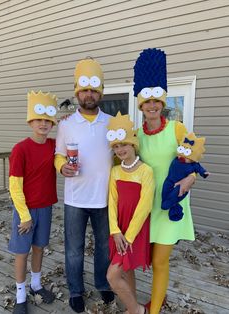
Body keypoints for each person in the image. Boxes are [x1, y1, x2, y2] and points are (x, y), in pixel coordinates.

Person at [133, 48, 197, 314]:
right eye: (147, 101)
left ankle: (155, 309)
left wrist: (190, 178)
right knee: (144, 259)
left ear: (163, 102)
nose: (152, 106)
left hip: (170, 205)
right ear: (140, 104)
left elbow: (194, 161)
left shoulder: (177, 129)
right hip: (146, 206)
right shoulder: (136, 135)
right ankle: (151, 299)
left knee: (160, 261)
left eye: (156, 100)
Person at [54, 57, 114, 313]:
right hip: (75, 198)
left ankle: (102, 282)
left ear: (99, 92)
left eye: (93, 90)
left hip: (104, 198)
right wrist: (61, 166)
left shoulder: (112, 122)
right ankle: (76, 290)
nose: (89, 95)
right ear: (77, 92)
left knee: (103, 247)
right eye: (84, 90)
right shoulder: (66, 124)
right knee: (74, 249)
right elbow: (58, 154)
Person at [8, 91, 58, 314]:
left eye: (48, 120)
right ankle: (20, 294)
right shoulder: (21, 149)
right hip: (25, 211)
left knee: (39, 248)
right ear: (31, 120)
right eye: (39, 119)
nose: (43, 124)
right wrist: (25, 215)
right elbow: (15, 186)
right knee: (22, 252)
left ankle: (36, 285)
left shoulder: (54, 146)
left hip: (45, 207)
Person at [106, 112, 155, 314]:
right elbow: (112, 202)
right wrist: (115, 231)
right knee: (126, 270)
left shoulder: (146, 171)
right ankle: (132, 306)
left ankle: (137, 310)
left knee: (112, 276)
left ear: (133, 144)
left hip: (134, 230)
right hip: (119, 229)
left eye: (123, 144)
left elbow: (145, 205)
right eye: (116, 147)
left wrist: (128, 236)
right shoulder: (115, 172)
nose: (120, 149)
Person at [161, 132, 209, 221]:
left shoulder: (193, 165)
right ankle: (173, 208)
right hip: (169, 181)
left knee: (174, 197)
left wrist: (200, 174)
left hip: (180, 184)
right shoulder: (176, 159)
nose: (182, 156)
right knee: (165, 194)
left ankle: (168, 207)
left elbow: (199, 169)